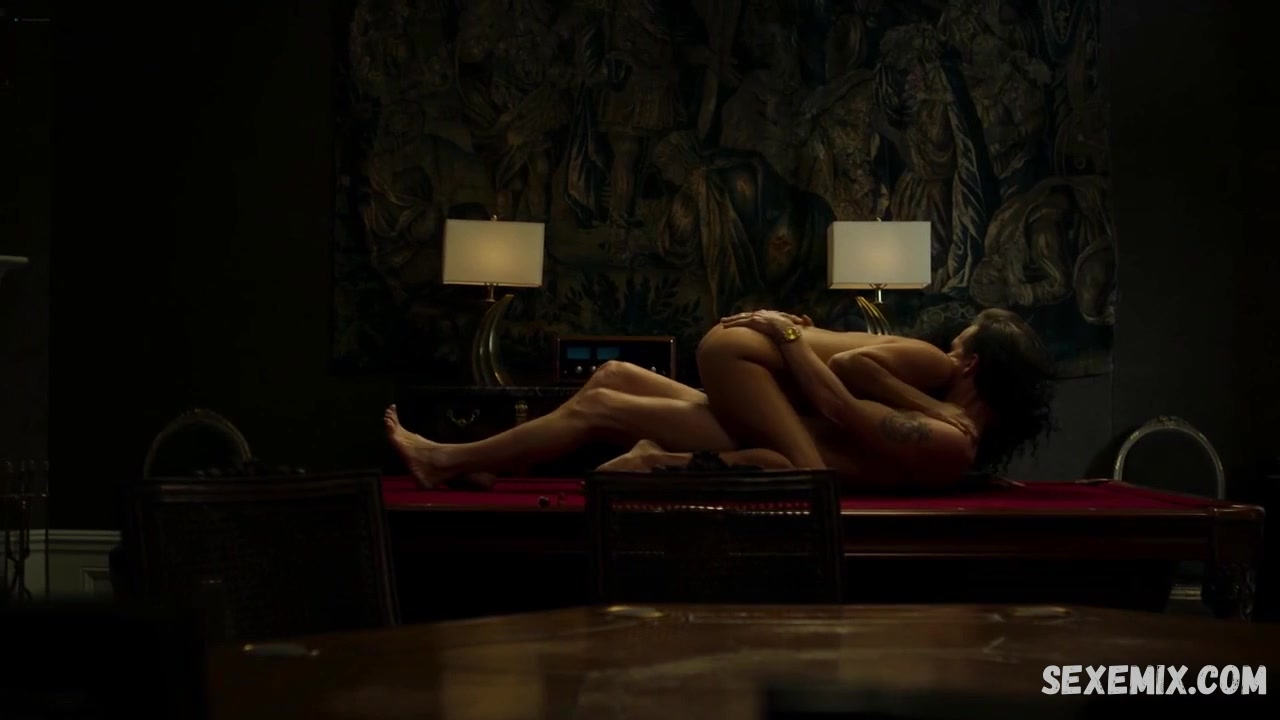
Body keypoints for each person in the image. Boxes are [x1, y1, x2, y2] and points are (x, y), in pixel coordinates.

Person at [383, 308, 1055, 490]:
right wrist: (789, 334)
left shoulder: (950, 440)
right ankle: (462, 460)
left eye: (956, 346)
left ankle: (461, 461)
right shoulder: (942, 416)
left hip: (767, 405)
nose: (944, 353)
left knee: (609, 386)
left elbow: (840, 408)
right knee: (609, 388)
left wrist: (788, 335)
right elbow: (845, 392)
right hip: (758, 390)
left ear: (971, 363)